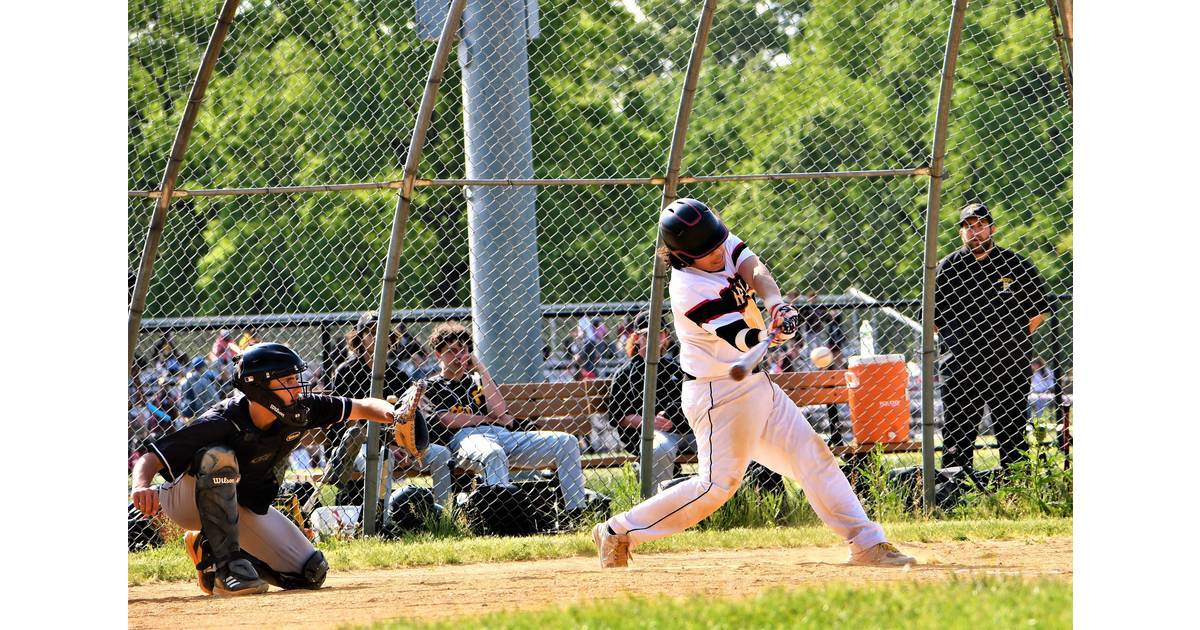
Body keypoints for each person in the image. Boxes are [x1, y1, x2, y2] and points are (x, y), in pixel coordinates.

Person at [592, 198, 914, 568]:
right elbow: (740, 337)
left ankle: (867, 543)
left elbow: (753, 265)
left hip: (755, 385)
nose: (718, 254)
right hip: (718, 395)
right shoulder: (689, 288)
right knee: (715, 487)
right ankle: (617, 530)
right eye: (709, 253)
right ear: (682, 256)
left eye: (719, 244)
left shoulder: (712, 239)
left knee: (812, 455)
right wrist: (770, 337)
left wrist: (776, 304)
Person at [129, 342, 421, 596]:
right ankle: (227, 569)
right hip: (186, 500)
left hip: (239, 505)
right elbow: (150, 458)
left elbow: (362, 406)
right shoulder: (222, 420)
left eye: (296, 378)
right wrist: (141, 486)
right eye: (288, 381)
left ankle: (208, 550)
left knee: (310, 573)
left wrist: (394, 415)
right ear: (259, 387)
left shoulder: (301, 409)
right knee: (218, 456)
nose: (298, 387)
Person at [418, 321, 589, 515]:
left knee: (566, 442)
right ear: (438, 355)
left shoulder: (478, 380)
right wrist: (487, 419)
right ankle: (500, 519)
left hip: (502, 434)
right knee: (493, 453)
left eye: (463, 350)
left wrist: (481, 370)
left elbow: (500, 411)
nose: (458, 356)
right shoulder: (431, 385)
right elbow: (447, 420)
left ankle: (576, 513)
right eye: (451, 351)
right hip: (465, 440)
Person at [934, 203, 1051, 472]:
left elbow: (1038, 312)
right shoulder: (947, 267)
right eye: (968, 227)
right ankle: (955, 487)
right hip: (961, 367)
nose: (974, 232)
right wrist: (959, 342)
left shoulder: (1015, 264)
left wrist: (1010, 339)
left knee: (1012, 434)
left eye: (980, 225)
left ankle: (1015, 485)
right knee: (957, 435)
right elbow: (933, 320)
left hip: (1008, 365)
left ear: (992, 229)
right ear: (960, 232)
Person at [326, 313, 437, 507]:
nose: (378, 337)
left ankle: (443, 512)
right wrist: (387, 445)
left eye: (383, 332)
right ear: (360, 338)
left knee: (441, 454)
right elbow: (344, 426)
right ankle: (380, 518)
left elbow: (406, 419)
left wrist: (404, 446)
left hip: (396, 444)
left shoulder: (398, 376)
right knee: (382, 456)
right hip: (356, 446)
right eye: (371, 332)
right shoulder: (347, 372)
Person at [603, 311, 694, 492]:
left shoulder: (677, 369)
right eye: (647, 334)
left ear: (665, 336)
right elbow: (619, 416)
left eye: (658, 333)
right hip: (652, 433)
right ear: (637, 338)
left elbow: (693, 400)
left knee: (724, 440)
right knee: (660, 449)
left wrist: (676, 416)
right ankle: (658, 502)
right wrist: (650, 422)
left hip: (687, 430)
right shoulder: (625, 373)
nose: (654, 338)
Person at [180, 356, 220, 421]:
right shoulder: (203, 381)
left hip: (194, 416)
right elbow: (215, 397)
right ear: (202, 367)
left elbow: (182, 399)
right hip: (207, 413)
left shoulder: (184, 382)